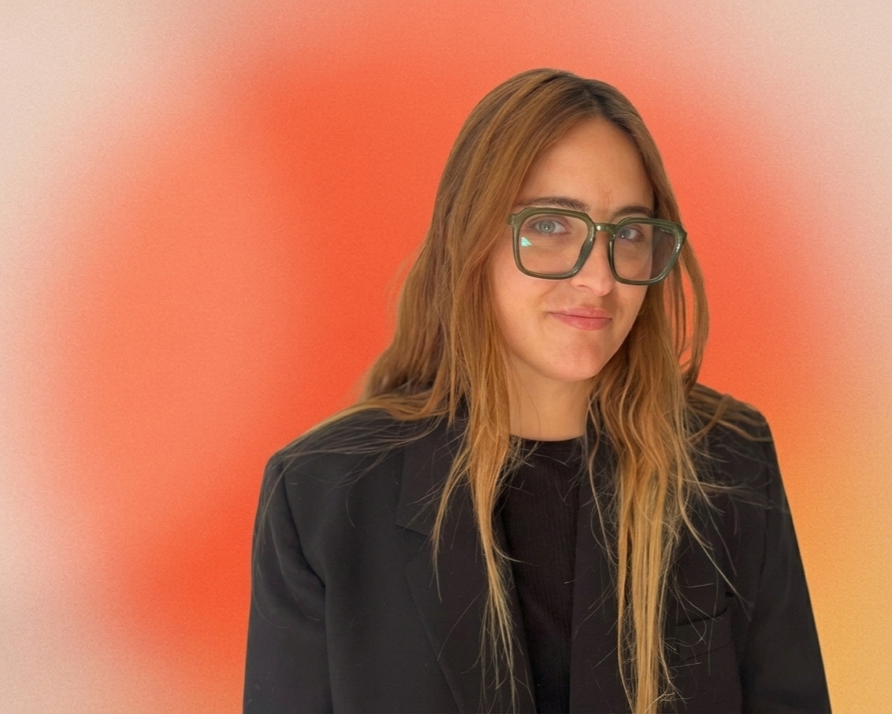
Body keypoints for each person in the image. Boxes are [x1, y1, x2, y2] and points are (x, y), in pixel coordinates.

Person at [244, 69, 830, 714]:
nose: (599, 280)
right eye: (551, 226)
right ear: (472, 237)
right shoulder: (323, 492)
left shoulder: (728, 460)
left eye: (629, 234)